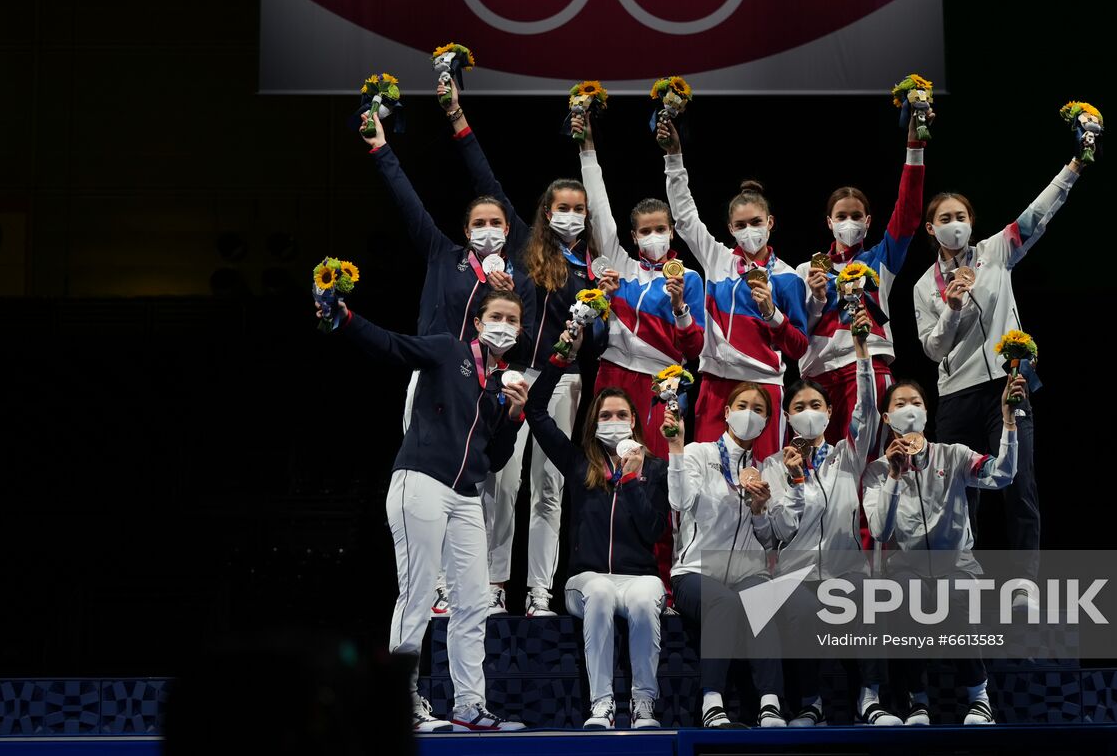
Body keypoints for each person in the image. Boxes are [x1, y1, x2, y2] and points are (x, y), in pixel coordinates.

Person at [319, 288, 532, 732]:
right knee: (417, 595)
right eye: (497, 316)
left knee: (474, 603)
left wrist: (513, 419)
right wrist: (347, 318)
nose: (505, 326)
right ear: (478, 322)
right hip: (420, 482)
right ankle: (399, 703)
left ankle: (469, 705)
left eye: (513, 320)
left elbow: (491, 459)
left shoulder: (500, 386)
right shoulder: (447, 349)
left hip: (466, 496)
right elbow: (392, 345)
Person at [360, 110, 538, 618]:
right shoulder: (444, 256)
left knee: (483, 483)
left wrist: (508, 295)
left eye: (496, 223)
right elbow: (408, 204)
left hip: (486, 386)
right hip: (436, 379)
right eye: (479, 223)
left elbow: (521, 342)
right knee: (430, 482)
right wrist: (381, 150)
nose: (488, 230)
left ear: (509, 230)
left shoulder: (516, 282)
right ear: (465, 230)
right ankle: (434, 585)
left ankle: (479, 585)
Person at [443, 81, 603, 618]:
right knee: (501, 484)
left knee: (550, 490)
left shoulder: (592, 267)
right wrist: (458, 117)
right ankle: (491, 586)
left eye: (579, 208)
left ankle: (539, 593)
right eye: (563, 207)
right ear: (545, 210)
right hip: (514, 375)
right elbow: (483, 178)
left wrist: (594, 319)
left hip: (564, 381)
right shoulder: (524, 247)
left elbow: (599, 342)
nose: (572, 215)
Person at [911, 150, 1088, 590]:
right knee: (959, 496)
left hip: (1009, 388)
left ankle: (1024, 587)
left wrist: (1074, 167)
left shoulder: (995, 251)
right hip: (955, 397)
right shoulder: (922, 286)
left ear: (971, 221)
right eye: (945, 217)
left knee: (1020, 487)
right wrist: (950, 309)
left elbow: (1038, 213)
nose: (956, 223)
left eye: (962, 215)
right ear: (931, 228)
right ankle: (960, 584)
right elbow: (933, 351)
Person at [573, 111, 704, 591]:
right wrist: (586, 144)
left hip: (662, 386)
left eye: (662, 228)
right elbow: (599, 205)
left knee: (663, 477)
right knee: (601, 471)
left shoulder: (687, 278)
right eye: (645, 229)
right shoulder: (619, 266)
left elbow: (695, 347)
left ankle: (666, 580)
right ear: (632, 236)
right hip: (613, 381)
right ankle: (600, 565)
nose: (655, 236)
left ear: (671, 230)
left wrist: (682, 309)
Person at [757, 307, 901, 727]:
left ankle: (870, 700)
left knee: (871, 601)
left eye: (816, 404)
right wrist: (796, 483)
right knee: (799, 609)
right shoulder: (772, 465)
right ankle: (810, 703)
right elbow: (777, 533)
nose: (807, 411)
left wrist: (861, 352)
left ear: (829, 410)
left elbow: (870, 412)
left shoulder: (847, 455)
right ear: (787, 416)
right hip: (797, 574)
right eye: (799, 405)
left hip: (845, 571)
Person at [525, 324, 671, 730]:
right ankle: (602, 704)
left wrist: (636, 480)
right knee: (602, 592)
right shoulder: (578, 464)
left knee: (644, 599)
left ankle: (643, 704)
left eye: (622, 415)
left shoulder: (655, 469)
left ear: (635, 424)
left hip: (639, 579)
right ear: (594, 423)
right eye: (605, 415)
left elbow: (654, 531)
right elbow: (536, 410)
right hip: (586, 580)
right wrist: (560, 357)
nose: (614, 421)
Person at [861, 374, 1027, 726]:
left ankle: (979, 698)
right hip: (907, 566)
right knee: (905, 594)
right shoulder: (877, 471)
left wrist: (1008, 422)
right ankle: (917, 701)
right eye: (900, 404)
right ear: (886, 418)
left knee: (955, 595)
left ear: (926, 412)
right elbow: (880, 530)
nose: (910, 410)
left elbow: (1002, 475)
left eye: (916, 403)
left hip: (957, 565)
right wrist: (893, 475)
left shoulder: (954, 456)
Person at [657, 120, 809, 460]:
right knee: (709, 479)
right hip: (716, 385)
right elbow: (684, 217)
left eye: (756, 223)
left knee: (766, 478)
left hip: (766, 386)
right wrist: (673, 157)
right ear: (730, 228)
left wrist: (772, 314)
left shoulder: (787, 278)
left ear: (770, 223)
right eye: (740, 225)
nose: (749, 230)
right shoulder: (717, 260)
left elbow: (798, 348)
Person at [795, 109, 929, 446]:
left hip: (869, 368)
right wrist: (815, 300)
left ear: (868, 221)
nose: (849, 222)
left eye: (856, 216)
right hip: (819, 378)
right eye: (842, 216)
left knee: (871, 465)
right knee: (824, 470)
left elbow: (909, 214)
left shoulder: (880, 261)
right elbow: (793, 334)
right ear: (829, 222)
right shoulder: (806, 270)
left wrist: (915, 146)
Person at [668, 381, 788, 728]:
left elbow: (770, 540)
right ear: (726, 412)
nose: (749, 414)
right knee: (724, 602)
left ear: (767, 422)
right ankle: (712, 701)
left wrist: (760, 509)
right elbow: (679, 502)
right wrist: (675, 447)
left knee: (762, 598)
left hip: (748, 571)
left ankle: (770, 703)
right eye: (742, 405)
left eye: (759, 409)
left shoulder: (769, 471)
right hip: (694, 572)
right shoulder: (697, 454)